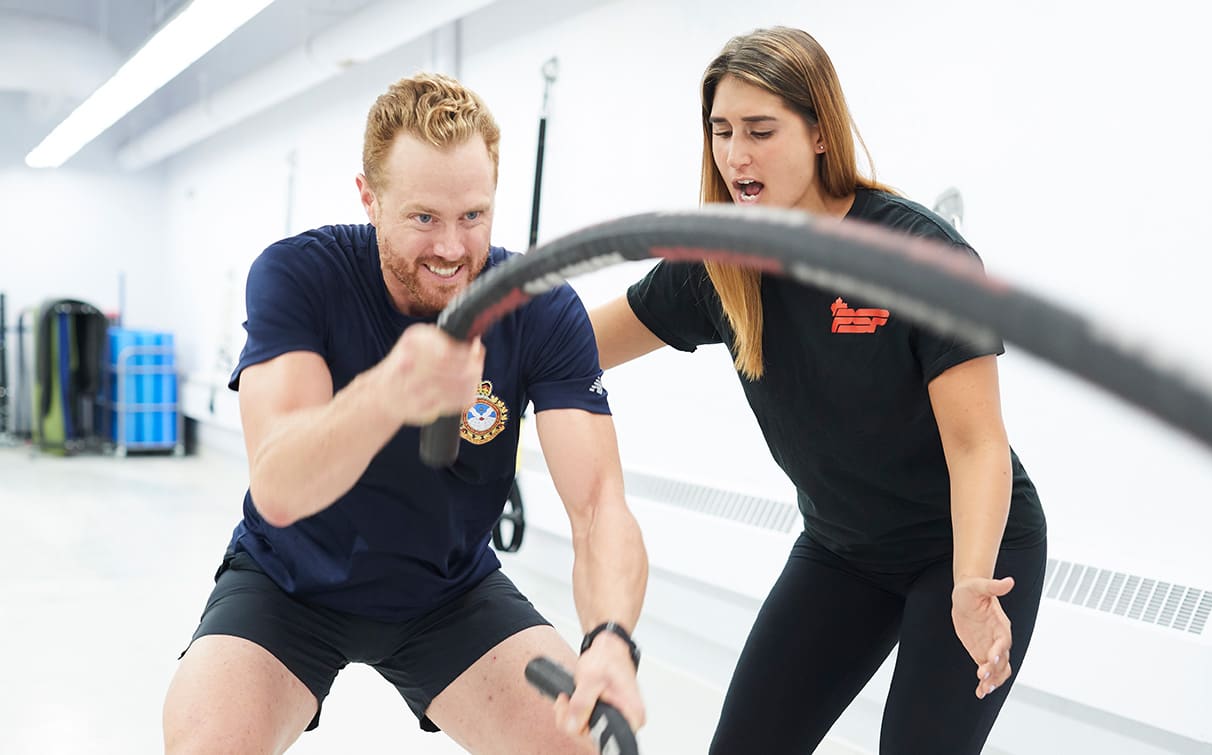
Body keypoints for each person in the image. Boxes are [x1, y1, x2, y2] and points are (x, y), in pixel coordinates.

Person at [589, 27, 1047, 755]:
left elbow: (977, 445)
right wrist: (474, 360)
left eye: (760, 131)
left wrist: (970, 580)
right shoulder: (718, 261)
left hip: (963, 549)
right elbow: (578, 345)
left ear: (820, 132)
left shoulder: (917, 253)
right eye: (721, 131)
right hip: (844, 548)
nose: (736, 156)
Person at [162, 72, 648, 754]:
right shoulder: (301, 276)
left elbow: (599, 505)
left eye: (472, 216)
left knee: (579, 745)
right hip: (289, 584)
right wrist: (390, 391)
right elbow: (278, 486)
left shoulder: (539, 307)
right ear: (370, 197)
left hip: (448, 593)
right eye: (424, 218)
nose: (450, 248)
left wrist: (610, 638)